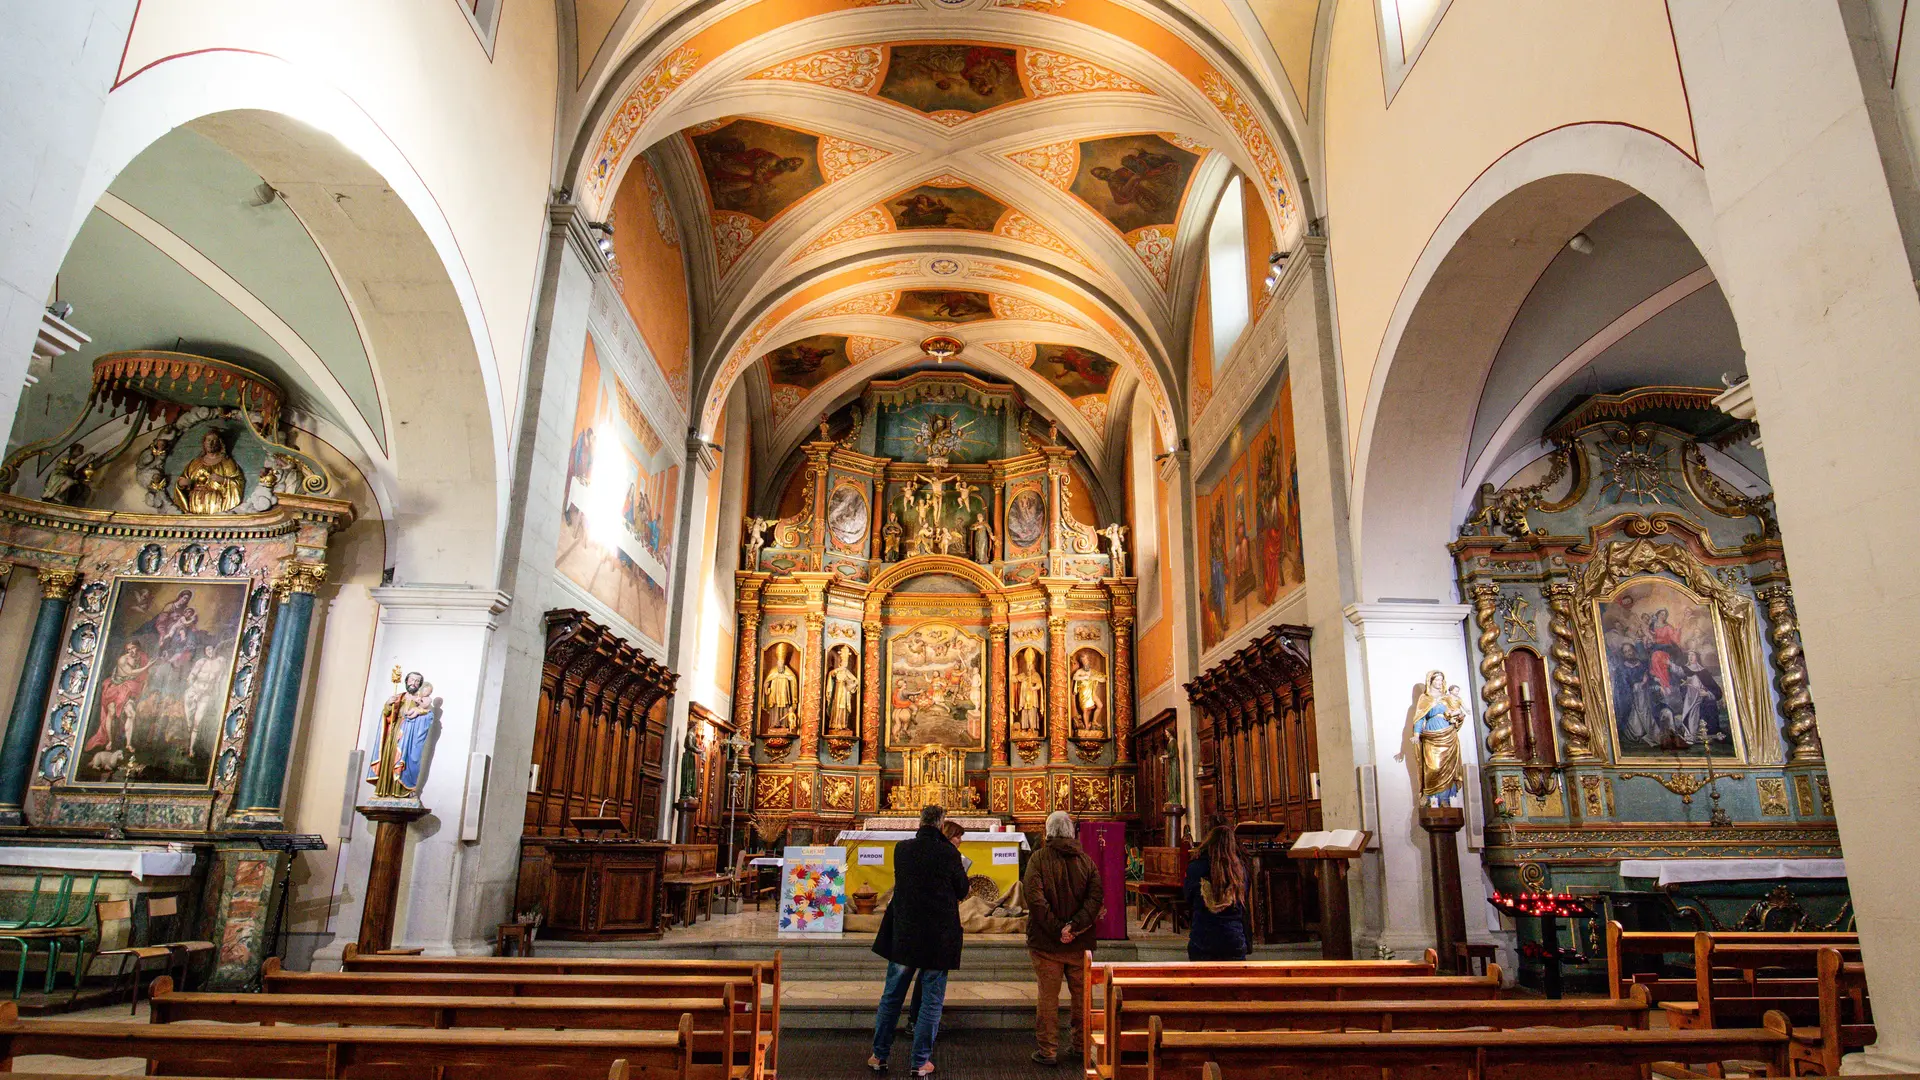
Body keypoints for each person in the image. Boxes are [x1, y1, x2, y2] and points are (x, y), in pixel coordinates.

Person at [869, 805, 967, 1075]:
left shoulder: (902, 849)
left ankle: (879, 1055)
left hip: (905, 934)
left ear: (921, 822)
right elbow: (963, 889)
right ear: (941, 824)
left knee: (892, 996)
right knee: (931, 1000)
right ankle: (920, 1062)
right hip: (937, 936)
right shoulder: (950, 853)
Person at [1022, 810, 1103, 1066]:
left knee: (1048, 997)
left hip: (1047, 944)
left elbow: (1034, 900)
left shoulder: (1038, 859)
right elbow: (1095, 898)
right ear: (1070, 832)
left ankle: (1048, 1050)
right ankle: (1080, 1046)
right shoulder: (1086, 861)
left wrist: (1059, 929)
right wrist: (1074, 927)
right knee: (1082, 997)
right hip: (1079, 942)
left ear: (1048, 831)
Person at [1184, 824, 1250, 961]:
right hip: (1233, 940)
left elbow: (1188, 898)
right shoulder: (1240, 871)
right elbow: (1244, 902)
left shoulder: (1195, 867)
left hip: (1202, 940)